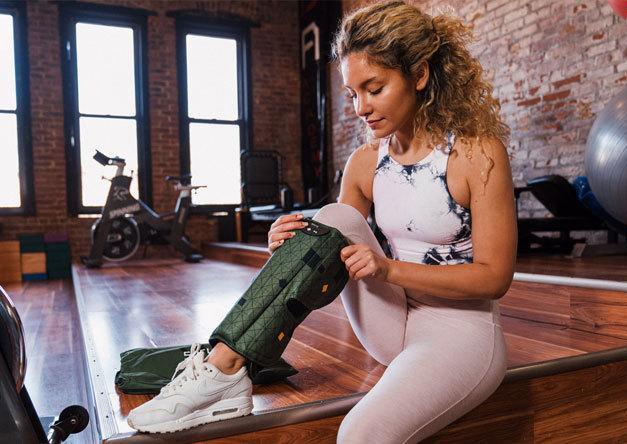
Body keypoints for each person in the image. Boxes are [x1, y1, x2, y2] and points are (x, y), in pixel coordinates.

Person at [127, 1, 517, 441]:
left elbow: (495, 278)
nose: (361, 107)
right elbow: (331, 247)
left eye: (374, 88)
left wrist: (388, 269)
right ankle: (226, 366)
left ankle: (226, 368)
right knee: (333, 218)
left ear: (420, 75)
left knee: (360, 435)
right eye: (352, 94)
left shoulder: (475, 154)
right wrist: (294, 248)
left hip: (460, 330)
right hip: (390, 320)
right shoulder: (365, 163)